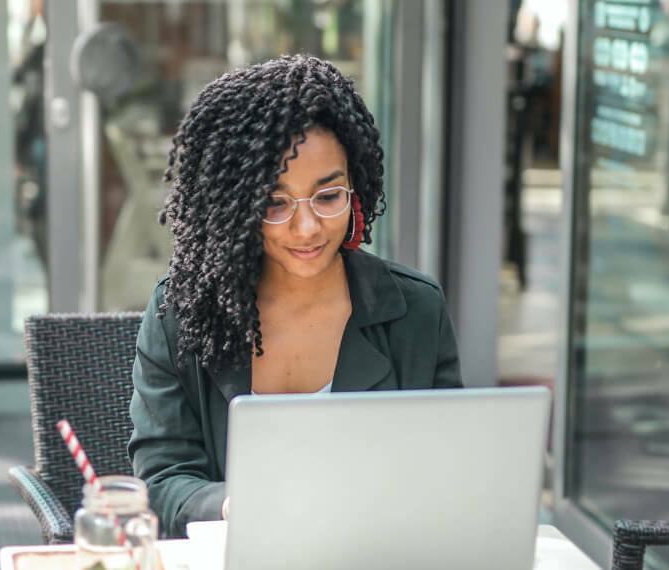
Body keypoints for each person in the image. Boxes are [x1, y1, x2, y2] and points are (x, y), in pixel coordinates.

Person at [128, 54, 462, 538]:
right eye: (274, 203)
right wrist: (230, 504)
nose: (307, 229)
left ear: (357, 190)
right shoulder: (181, 314)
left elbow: (449, 473)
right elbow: (160, 483)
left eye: (328, 197)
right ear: (235, 208)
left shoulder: (415, 311)